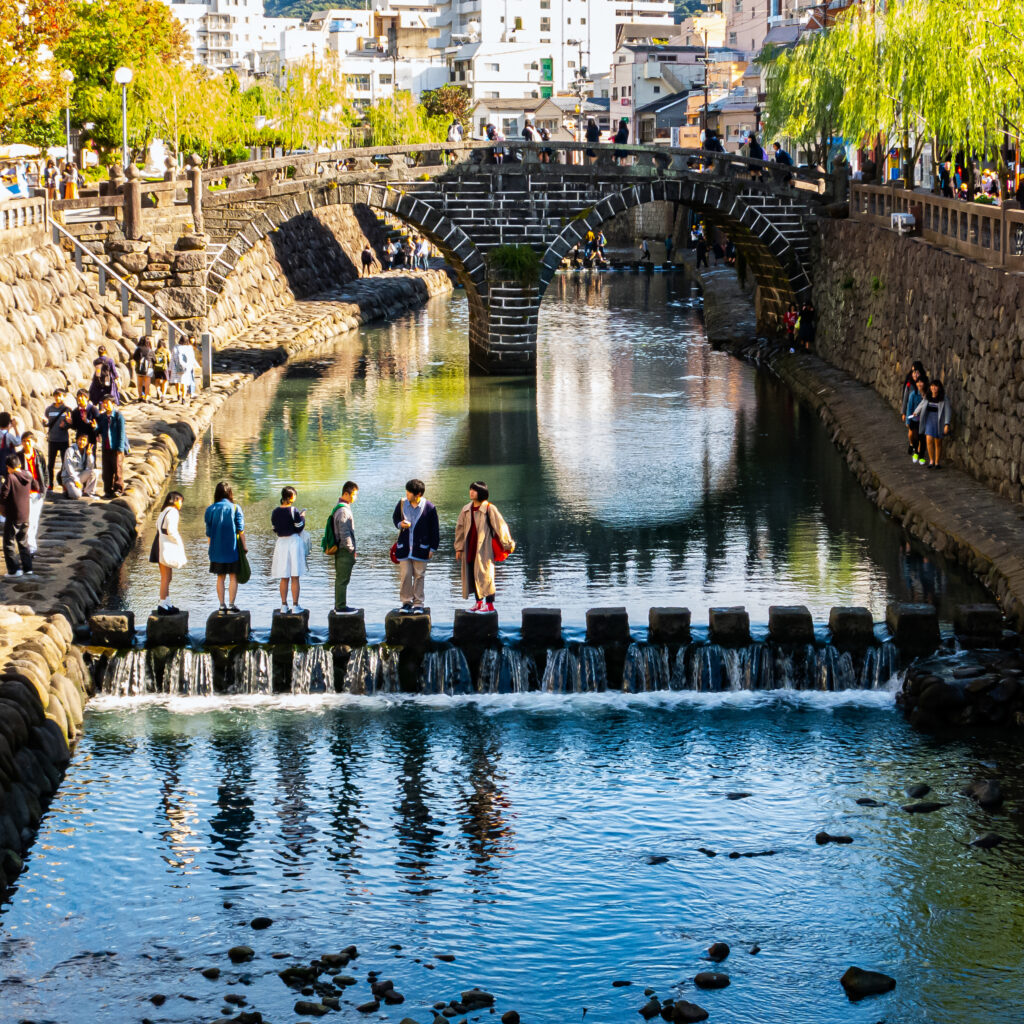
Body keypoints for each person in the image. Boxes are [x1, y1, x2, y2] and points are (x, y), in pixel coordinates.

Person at [454, 481, 514, 613]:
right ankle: (478, 603)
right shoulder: (466, 509)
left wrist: (508, 544)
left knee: (486, 575)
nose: (471, 492)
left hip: (484, 548)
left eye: (474, 490)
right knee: (472, 575)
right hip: (470, 547)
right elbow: (459, 529)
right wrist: (459, 548)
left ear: (481, 492)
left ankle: (490, 605)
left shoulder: (489, 508)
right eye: (470, 489)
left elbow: (501, 526)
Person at [393, 478, 440, 614]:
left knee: (419, 575)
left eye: (409, 493)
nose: (407, 495)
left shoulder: (430, 508)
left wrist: (433, 548)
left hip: (422, 548)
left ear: (418, 494)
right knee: (405, 575)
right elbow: (395, 518)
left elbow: (434, 530)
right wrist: (400, 524)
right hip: (404, 547)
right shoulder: (402, 504)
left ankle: (418, 603)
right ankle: (406, 602)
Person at [205, 480, 246, 613]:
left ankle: (221, 605)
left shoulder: (210, 509)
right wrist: (244, 547)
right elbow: (240, 530)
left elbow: (209, 533)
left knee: (220, 577)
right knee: (233, 576)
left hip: (216, 550)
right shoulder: (235, 508)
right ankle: (231, 605)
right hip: (232, 549)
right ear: (230, 493)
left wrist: (211, 549)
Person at [271, 485, 307, 613]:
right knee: (295, 576)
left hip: (281, 543)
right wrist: (302, 517)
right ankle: (295, 606)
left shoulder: (275, 511)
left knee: (284, 576)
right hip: (293, 542)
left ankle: (284, 605)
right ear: (291, 497)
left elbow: (275, 528)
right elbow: (299, 527)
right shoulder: (294, 511)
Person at [324, 481, 358, 612]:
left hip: (342, 549)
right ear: (345, 494)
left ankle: (340, 604)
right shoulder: (343, 510)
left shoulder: (340, 508)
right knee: (342, 580)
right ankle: (341, 606)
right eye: (354, 495)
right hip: (344, 550)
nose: (355, 498)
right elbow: (344, 533)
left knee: (341, 579)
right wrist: (351, 549)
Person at [151, 491, 186, 614]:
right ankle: (162, 603)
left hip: (159, 543)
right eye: (180, 500)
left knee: (167, 576)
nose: (181, 504)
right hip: (165, 545)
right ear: (175, 500)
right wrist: (178, 542)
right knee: (166, 577)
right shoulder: (173, 511)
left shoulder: (164, 511)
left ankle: (167, 602)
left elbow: (158, 526)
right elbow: (171, 530)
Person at [1, 455, 33, 577]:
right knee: (23, 542)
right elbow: (35, 486)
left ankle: (14, 570)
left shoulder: (11, 477)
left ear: (9, 467)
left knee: (8, 543)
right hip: (26, 515)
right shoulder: (28, 475)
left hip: (14, 515)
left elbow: (4, 494)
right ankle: (28, 568)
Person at [17, 432, 47, 553]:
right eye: (24, 441)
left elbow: (45, 472)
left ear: (33, 441)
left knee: (34, 520)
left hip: (37, 492)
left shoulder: (38, 455)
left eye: (28, 441)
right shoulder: (18, 456)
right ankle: (27, 546)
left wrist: (44, 488)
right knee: (26, 521)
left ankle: (31, 547)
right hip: (24, 493)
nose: (26, 443)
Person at [914, 380, 952, 469]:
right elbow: (921, 404)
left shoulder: (944, 398)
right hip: (929, 420)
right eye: (932, 386)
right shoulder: (928, 397)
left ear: (939, 388)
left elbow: (947, 411)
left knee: (938, 442)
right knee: (929, 439)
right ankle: (931, 460)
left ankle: (937, 462)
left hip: (939, 421)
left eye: (935, 386)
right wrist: (916, 412)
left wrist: (947, 424)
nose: (933, 388)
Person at [96, 395, 129, 498]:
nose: (105, 405)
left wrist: (120, 448)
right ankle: (108, 490)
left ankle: (118, 489)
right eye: (104, 403)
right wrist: (94, 427)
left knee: (117, 469)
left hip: (116, 447)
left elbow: (121, 433)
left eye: (107, 402)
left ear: (113, 403)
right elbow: (99, 430)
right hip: (106, 447)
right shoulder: (102, 417)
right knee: (107, 470)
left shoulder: (119, 416)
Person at [44, 387, 72, 488]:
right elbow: (48, 423)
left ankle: (63, 483)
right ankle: (50, 484)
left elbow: (70, 425)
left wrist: (65, 425)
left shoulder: (67, 410)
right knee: (50, 464)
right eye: (56, 395)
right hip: (52, 440)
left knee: (65, 463)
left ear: (64, 397)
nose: (57, 398)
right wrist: (44, 423)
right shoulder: (49, 409)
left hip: (63, 440)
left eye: (60, 396)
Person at [61, 431, 98, 500]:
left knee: (95, 472)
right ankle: (67, 489)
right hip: (69, 478)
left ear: (87, 442)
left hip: (80, 476)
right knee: (76, 495)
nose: (82, 442)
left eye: (84, 440)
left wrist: (90, 455)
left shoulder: (86, 451)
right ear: (77, 440)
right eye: (80, 439)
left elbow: (90, 467)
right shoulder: (70, 450)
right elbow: (68, 467)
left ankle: (88, 492)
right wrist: (76, 480)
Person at [903, 374, 929, 465]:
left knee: (922, 438)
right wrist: (907, 421)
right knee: (914, 437)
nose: (919, 384)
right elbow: (909, 408)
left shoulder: (927, 394)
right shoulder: (913, 395)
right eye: (918, 382)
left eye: (921, 382)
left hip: (924, 420)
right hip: (914, 420)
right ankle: (915, 450)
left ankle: (920, 455)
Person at [70, 388, 99, 462]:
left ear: (87, 398)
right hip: (80, 439)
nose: (79, 398)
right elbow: (74, 427)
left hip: (91, 439)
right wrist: (70, 422)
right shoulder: (75, 411)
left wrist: (90, 423)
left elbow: (99, 425)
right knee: (79, 460)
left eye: (82, 396)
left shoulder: (93, 409)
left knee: (91, 460)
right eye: (78, 397)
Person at [132, 336, 155, 402]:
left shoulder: (138, 349)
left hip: (139, 368)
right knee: (147, 384)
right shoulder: (150, 350)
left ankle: (140, 397)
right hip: (148, 369)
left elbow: (134, 357)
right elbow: (154, 360)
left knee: (139, 384)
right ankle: (146, 397)